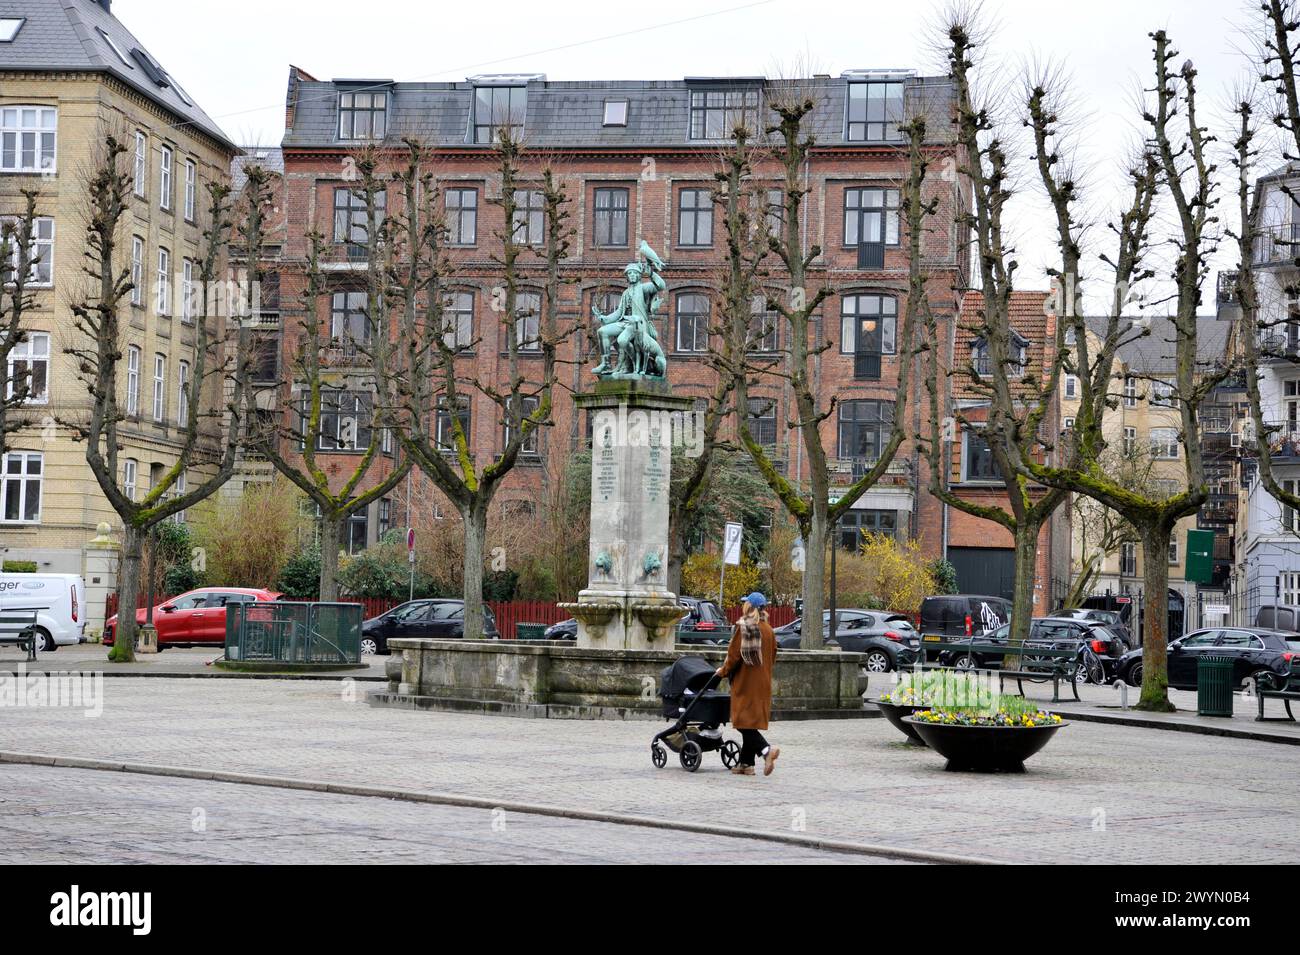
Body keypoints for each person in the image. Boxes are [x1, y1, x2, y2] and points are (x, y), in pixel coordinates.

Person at [717, 592, 780, 776]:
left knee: (743, 722)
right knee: (750, 722)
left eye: (745, 604)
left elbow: (734, 655)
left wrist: (723, 671)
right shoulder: (768, 630)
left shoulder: (746, 627)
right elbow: (774, 656)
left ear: (749, 607)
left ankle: (766, 751)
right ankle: (746, 763)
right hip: (763, 683)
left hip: (746, 682)